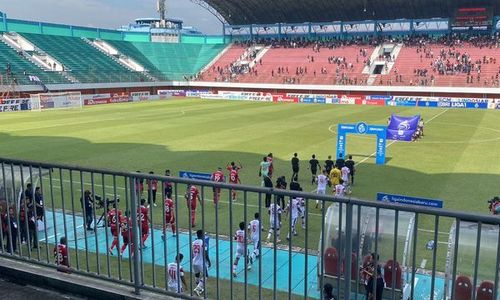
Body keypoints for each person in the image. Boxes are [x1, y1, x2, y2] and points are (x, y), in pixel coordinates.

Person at [192, 230, 206, 296]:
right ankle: (198, 288)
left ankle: (198, 288)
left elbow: (192, 253)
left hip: (194, 261)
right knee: (205, 275)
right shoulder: (203, 242)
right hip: (200, 262)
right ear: (201, 235)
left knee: (197, 275)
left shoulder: (193, 242)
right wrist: (208, 260)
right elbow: (205, 253)